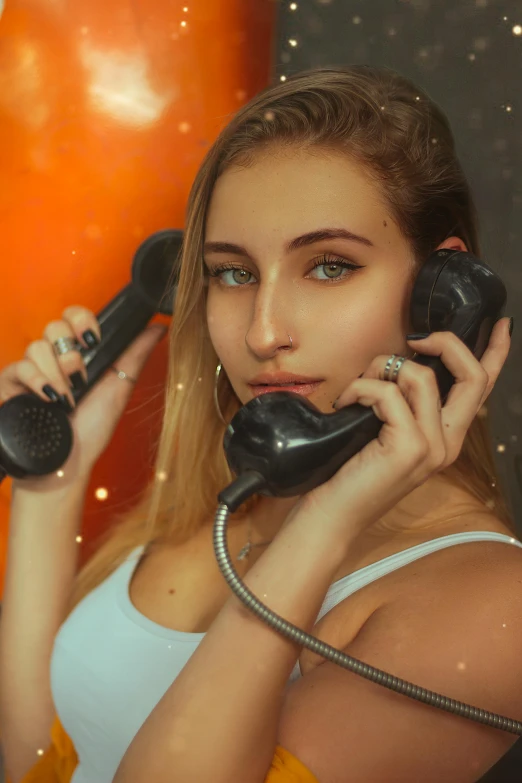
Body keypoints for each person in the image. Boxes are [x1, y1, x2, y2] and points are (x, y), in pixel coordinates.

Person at [0, 64, 521, 783]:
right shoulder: (228, 495)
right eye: (235, 273)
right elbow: (39, 765)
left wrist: (326, 522)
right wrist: (48, 495)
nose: (264, 332)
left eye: (329, 266)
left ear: (444, 291)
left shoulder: (494, 605)